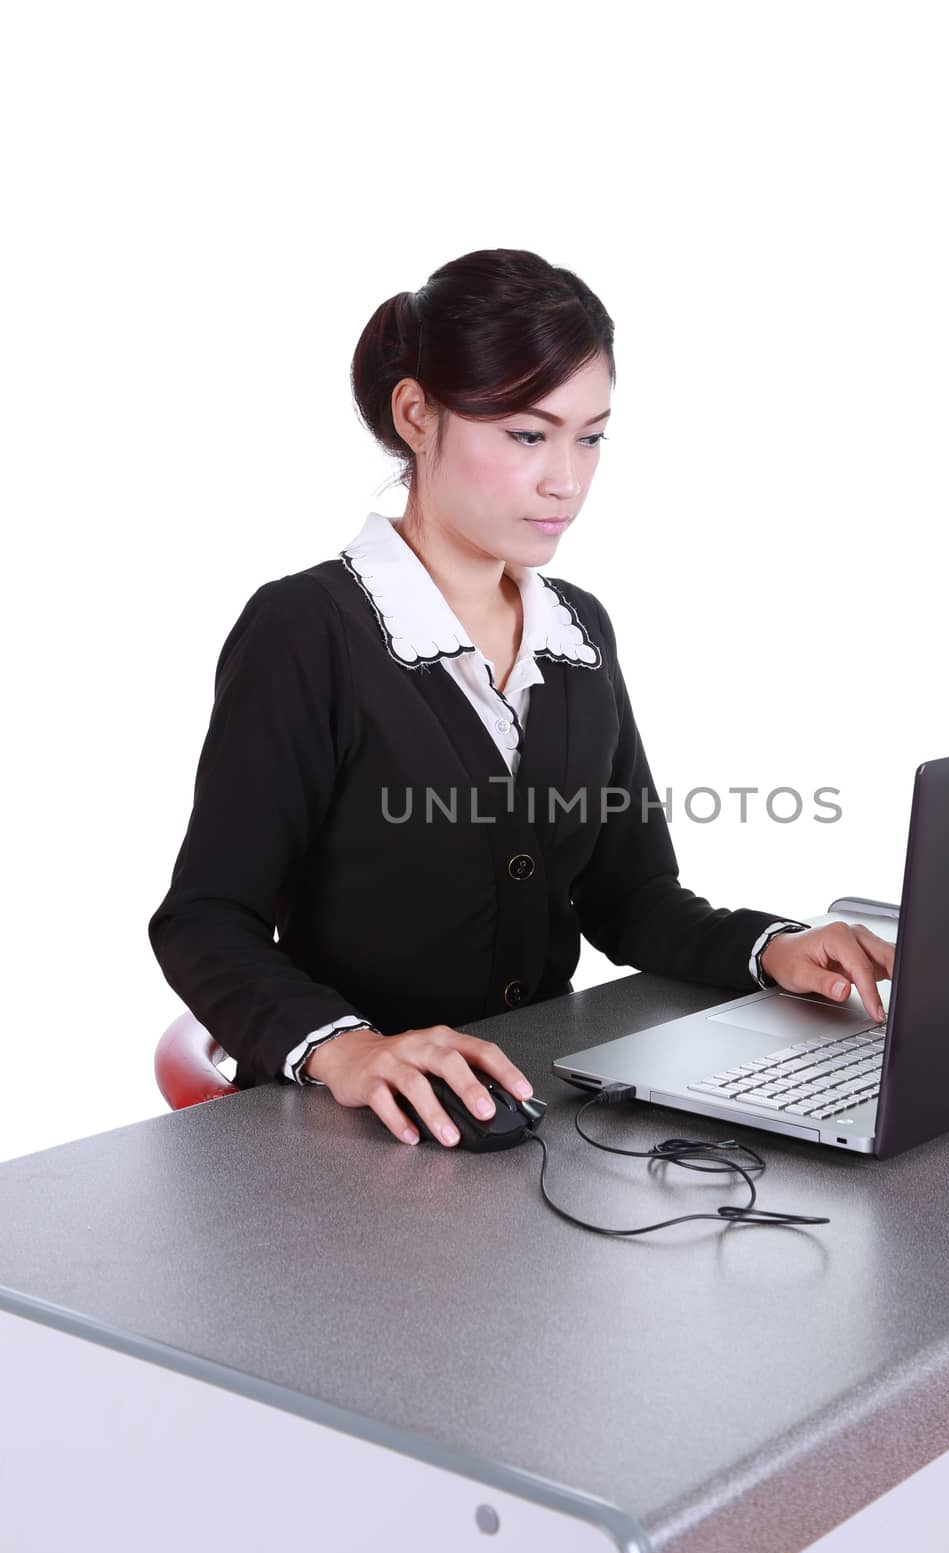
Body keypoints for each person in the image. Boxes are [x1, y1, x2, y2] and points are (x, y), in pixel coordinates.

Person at [148, 247, 895, 1148]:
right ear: (417, 414)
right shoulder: (308, 630)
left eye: (590, 436)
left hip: (538, 1112)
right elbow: (204, 919)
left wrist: (766, 946)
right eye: (527, 435)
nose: (566, 481)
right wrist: (348, 1050)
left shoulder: (575, 631)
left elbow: (630, 893)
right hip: (362, 1133)